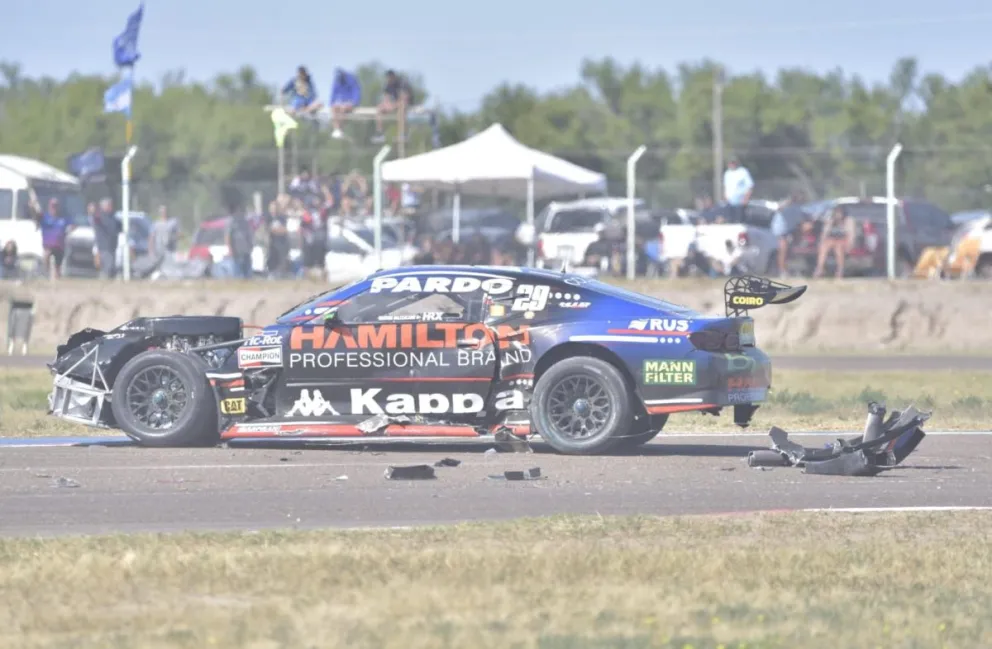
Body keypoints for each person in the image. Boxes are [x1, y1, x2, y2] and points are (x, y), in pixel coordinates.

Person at [770, 190, 807, 276]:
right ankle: (782, 271)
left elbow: (800, 221)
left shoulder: (798, 208)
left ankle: (790, 267)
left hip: (790, 230)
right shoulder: (785, 205)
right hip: (780, 229)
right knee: (783, 248)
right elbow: (778, 208)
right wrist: (788, 201)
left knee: (790, 249)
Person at [813, 206, 855, 278]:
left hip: (843, 239)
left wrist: (850, 244)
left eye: (839, 213)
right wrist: (821, 241)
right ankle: (820, 268)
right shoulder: (831, 220)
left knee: (838, 248)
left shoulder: (848, 220)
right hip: (832, 239)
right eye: (836, 213)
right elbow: (825, 233)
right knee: (824, 247)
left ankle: (840, 270)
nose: (837, 215)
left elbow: (851, 234)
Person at [372, 70, 411, 144]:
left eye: (389, 78)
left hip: (406, 104)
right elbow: (386, 98)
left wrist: (393, 105)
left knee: (401, 109)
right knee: (380, 108)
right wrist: (386, 105)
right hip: (394, 104)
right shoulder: (388, 85)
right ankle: (380, 133)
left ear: (393, 77)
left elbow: (404, 99)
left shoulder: (402, 84)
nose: (388, 80)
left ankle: (403, 134)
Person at [36, 197, 68, 279]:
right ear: (49, 206)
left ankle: (57, 278)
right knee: (46, 256)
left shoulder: (63, 218)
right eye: (53, 206)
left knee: (58, 266)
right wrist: (33, 206)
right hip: (48, 245)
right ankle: (46, 274)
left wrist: (68, 231)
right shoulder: (45, 217)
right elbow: (37, 216)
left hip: (59, 246)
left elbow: (71, 226)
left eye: (56, 206)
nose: (54, 208)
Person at [329, 68, 361, 139]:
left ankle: (341, 129)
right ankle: (336, 129)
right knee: (334, 108)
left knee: (343, 108)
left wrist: (354, 102)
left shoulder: (351, 79)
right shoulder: (337, 81)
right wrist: (332, 103)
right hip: (341, 102)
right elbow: (333, 94)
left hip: (350, 103)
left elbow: (356, 92)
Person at [93, 197, 121, 279]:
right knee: (108, 268)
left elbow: (118, 227)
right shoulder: (100, 217)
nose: (111, 207)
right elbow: (97, 221)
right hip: (104, 247)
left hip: (112, 246)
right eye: (109, 205)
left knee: (111, 267)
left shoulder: (113, 217)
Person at [723, 156, 754, 223]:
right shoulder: (727, 173)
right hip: (730, 202)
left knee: (739, 222)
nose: (732, 164)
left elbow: (750, 186)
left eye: (733, 163)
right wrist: (725, 198)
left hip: (740, 203)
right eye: (730, 163)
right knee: (730, 221)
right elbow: (726, 187)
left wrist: (746, 199)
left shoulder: (743, 172)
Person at [226, 210, 254, 279]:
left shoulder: (246, 223)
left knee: (247, 272)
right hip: (236, 251)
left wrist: (251, 246)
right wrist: (230, 249)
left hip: (246, 251)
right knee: (237, 271)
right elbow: (228, 237)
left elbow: (249, 236)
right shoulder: (232, 223)